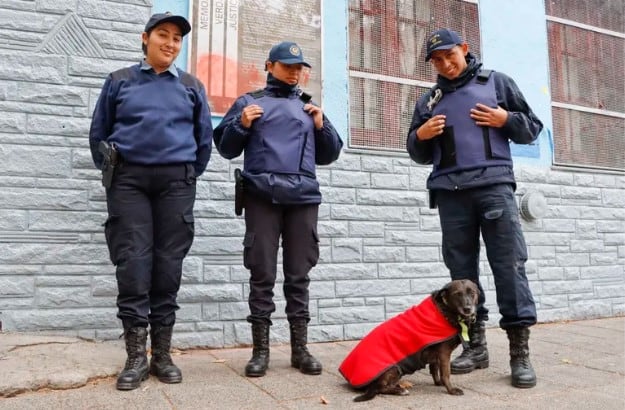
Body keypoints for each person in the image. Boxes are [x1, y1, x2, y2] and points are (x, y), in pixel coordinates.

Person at [406, 28, 543, 388]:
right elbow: (416, 152)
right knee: (460, 276)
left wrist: (505, 120)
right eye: (436, 60)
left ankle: (519, 354)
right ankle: (475, 347)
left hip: (494, 189)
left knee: (509, 268)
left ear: (465, 49)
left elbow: (532, 128)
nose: (445, 64)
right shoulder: (429, 101)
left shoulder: (496, 83)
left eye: (450, 55)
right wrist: (420, 136)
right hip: (450, 194)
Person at [89, 12, 213, 391]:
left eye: (177, 38)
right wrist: (114, 174)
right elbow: (99, 134)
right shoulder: (119, 81)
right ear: (146, 38)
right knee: (133, 264)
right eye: (163, 34)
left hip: (176, 183)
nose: (171, 43)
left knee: (167, 266)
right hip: (129, 184)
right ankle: (134, 358)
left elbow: (203, 141)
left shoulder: (191, 86)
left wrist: (186, 174)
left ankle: (161, 355)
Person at [213, 41, 343, 378]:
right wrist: (241, 123)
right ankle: (261, 352)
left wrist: (321, 125)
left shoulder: (309, 107)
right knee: (262, 274)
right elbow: (226, 148)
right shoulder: (250, 102)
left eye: (299, 67)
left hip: (302, 199)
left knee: (299, 276)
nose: (295, 72)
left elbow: (329, 155)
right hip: (262, 198)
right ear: (269, 66)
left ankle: (300, 350)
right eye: (287, 66)